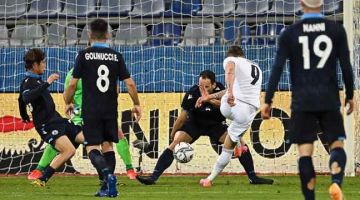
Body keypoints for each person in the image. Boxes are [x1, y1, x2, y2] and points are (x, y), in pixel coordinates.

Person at [261, 0, 354, 199]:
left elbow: (277, 68)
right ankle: (336, 182)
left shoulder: (290, 33)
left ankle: (310, 197)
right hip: (329, 97)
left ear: (301, 3)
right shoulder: (335, 30)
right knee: (336, 144)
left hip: (302, 100)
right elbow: (346, 65)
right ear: (322, 4)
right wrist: (351, 95)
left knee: (305, 152)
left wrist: (268, 100)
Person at [136, 70, 273, 186]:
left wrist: (208, 98)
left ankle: (253, 177)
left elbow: (227, 107)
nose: (203, 89)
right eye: (201, 86)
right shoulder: (192, 93)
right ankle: (153, 178)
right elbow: (182, 117)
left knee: (238, 141)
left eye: (207, 86)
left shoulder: (222, 90)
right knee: (174, 144)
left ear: (213, 84)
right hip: (195, 124)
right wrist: (173, 133)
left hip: (216, 125)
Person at [64, 18, 142, 197]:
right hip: (109, 109)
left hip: (90, 109)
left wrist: (68, 102)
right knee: (108, 146)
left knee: (92, 147)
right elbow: (130, 84)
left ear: (89, 35)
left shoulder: (83, 55)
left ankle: (106, 176)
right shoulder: (116, 56)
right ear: (108, 34)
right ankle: (107, 185)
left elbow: (72, 85)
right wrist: (136, 104)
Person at [28, 68, 137, 181]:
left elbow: (115, 90)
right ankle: (39, 169)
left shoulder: (101, 70)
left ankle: (126, 170)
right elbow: (67, 94)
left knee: (113, 137)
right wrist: (70, 104)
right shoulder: (74, 73)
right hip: (80, 116)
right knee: (64, 139)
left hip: (99, 113)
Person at [197, 46, 263, 187]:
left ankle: (209, 179)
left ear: (231, 55)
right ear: (243, 55)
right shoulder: (256, 67)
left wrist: (231, 93)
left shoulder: (231, 59)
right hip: (246, 112)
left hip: (229, 106)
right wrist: (209, 97)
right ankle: (239, 143)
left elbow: (230, 70)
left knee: (228, 147)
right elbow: (232, 85)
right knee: (229, 146)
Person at [18, 48, 84, 186]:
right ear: (35, 65)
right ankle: (42, 178)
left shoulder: (34, 81)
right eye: (43, 62)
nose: (45, 65)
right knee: (69, 151)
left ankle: (105, 177)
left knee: (90, 139)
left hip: (58, 121)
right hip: (47, 125)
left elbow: (20, 100)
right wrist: (47, 83)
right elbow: (25, 97)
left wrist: (24, 116)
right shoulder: (28, 81)